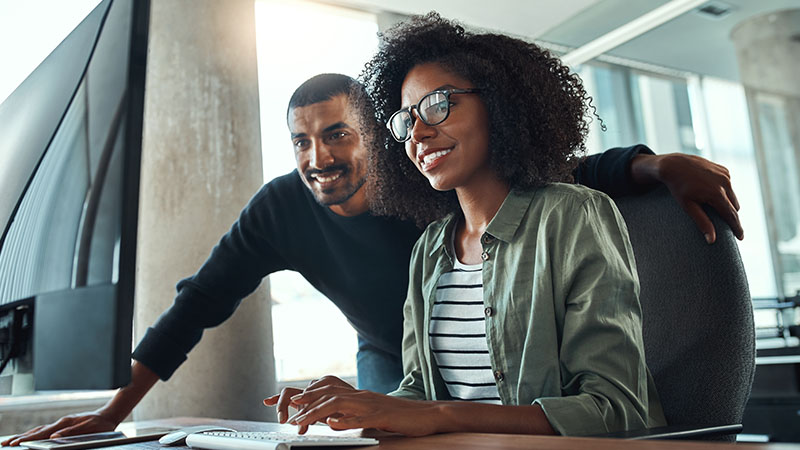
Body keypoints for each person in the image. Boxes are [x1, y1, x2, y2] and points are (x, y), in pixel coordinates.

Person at [4, 71, 739, 446]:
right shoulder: (280, 208)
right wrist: (114, 413)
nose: (319, 158)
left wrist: (655, 164)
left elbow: (553, 173)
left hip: (501, 355)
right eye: (301, 141)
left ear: (373, 137)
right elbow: (197, 303)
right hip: (396, 359)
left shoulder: (422, 178)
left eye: (338, 135)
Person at [263, 13, 668, 437]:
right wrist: (355, 407)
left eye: (438, 105)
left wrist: (444, 415)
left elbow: (616, 411)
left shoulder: (573, 216)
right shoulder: (430, 248)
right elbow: (420, 394)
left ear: (497, 102)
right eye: (406, 120)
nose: (418, 132)